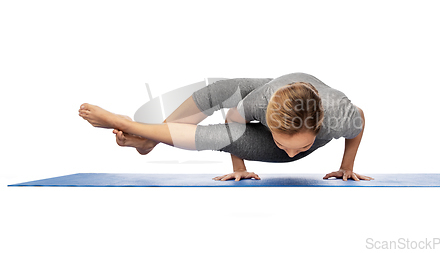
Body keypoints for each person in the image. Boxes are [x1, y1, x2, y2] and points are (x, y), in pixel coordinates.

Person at [79, 72, 373, 182]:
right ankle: (147, 139)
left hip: (297, 100)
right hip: (274, 89)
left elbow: (358, 119)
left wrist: (347, 166)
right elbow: (233, 119)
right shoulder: (256, 105)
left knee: (218, 137)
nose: (294, 154)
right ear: (267, 121)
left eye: (303, 146)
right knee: (222, 91)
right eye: (286, 145)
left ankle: (139, 131)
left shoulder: (339, 116)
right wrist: (239, 165)